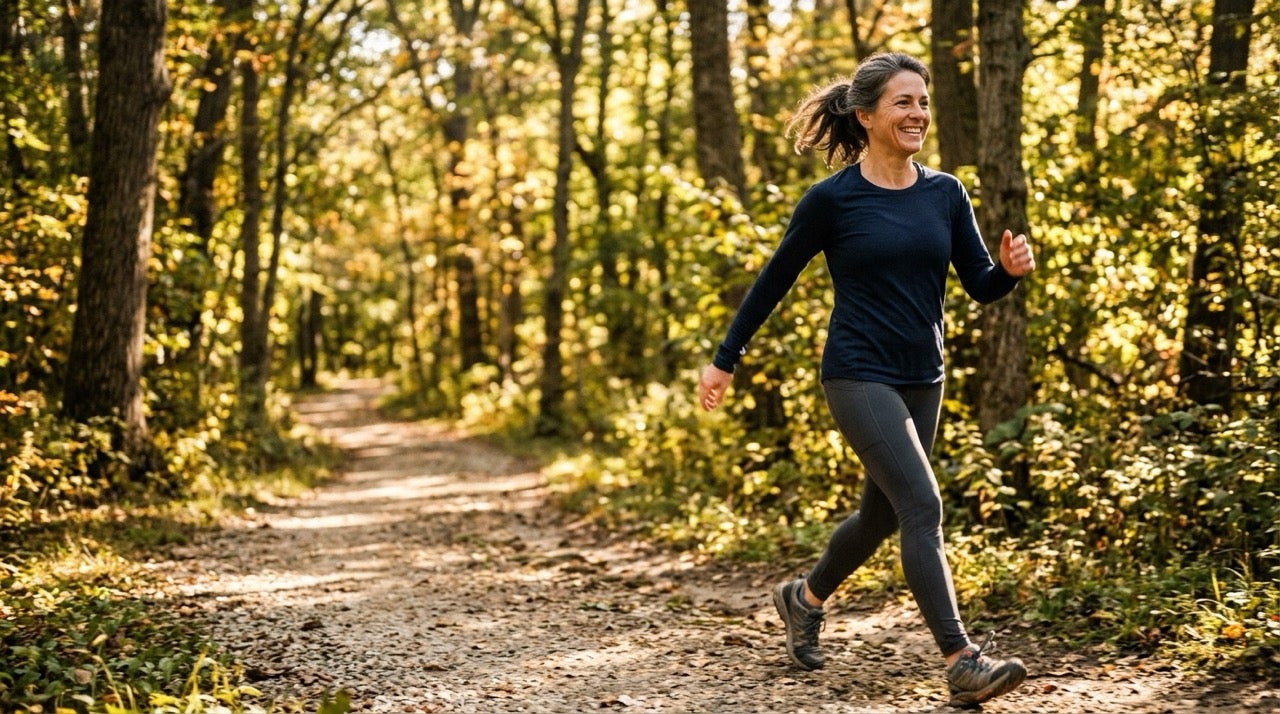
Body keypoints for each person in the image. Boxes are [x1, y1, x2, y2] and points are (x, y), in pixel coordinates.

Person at [696, 52, 1035, 708]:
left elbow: (980, 286)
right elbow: (774, 281)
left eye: (923, 102)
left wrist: (1010, 273)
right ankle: (961, 658)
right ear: (867, 115)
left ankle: (804, 598)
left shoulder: (945, 193)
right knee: (923, 505)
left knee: (882, 515)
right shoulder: (832, 200)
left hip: (923, 376)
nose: (919, 114)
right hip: (856, 373)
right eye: (904, 102)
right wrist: (725, 357)